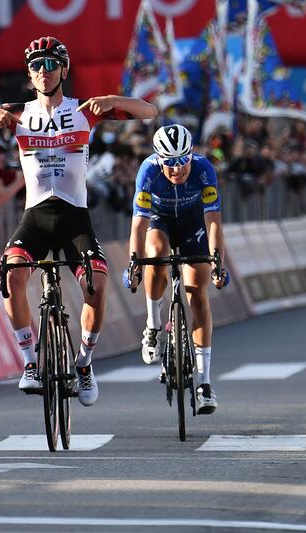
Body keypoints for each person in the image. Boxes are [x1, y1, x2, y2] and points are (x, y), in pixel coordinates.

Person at [0, 36, 157, 406]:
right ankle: (30, 363)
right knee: (11, 275)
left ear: (64, 69)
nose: (43, 72)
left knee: (97, 283)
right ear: (29, 75)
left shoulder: (84, 110)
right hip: (37, 215)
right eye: (35, 67)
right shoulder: (17, 111)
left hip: (74, 215)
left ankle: (85, 363)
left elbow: (148, 111)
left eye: (49, 65)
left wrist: (113, 102)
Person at [127, 124, 227, 415]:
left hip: (193, 221)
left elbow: (214, 221)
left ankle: (204, 383)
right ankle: (153, 325)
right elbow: (139, 224)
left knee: (197, 291)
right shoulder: (148, 171)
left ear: (191, 155)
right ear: (159, 159)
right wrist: (134, 260)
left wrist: (217, 260)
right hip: (160, 220)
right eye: (169, 162)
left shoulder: (204, 169)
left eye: (182, 160)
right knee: (155, 253)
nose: (176, 168)